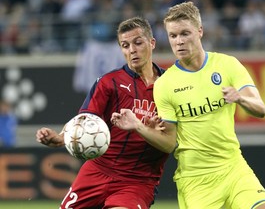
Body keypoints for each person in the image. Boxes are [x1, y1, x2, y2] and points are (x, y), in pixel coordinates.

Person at [111, 1, 265, 209]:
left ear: (200, 31)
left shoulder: (228, 65)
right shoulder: (165, 85)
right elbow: (169, 143)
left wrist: (241, 99)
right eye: (173, 36)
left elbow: (260, 109)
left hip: (234, 168)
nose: (178, 41)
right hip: (196, 179)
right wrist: (139, 126)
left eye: (184, 34)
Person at [36, 17, 169, 209]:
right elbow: (84, 120)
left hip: (137, 180)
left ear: (152, 43)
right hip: (98, 170)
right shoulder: (109, 82)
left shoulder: (170, 85)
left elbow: (174, 135)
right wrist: (60, 138)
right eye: (125, 45)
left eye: (138, 43)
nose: (132, 50)